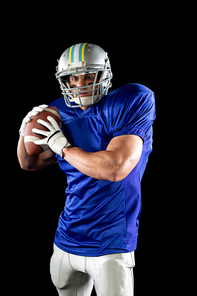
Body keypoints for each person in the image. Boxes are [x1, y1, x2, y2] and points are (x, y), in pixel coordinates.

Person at [17, 43, 156, 296]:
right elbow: (29, 163)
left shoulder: (132, 99)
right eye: (73, 77)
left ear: (104, 75)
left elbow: (116, 168)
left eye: (89, 75)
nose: (80, 83)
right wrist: (23, 132)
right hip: (66, 237)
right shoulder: (59, 109)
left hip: (110, 242)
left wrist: (63, 147)